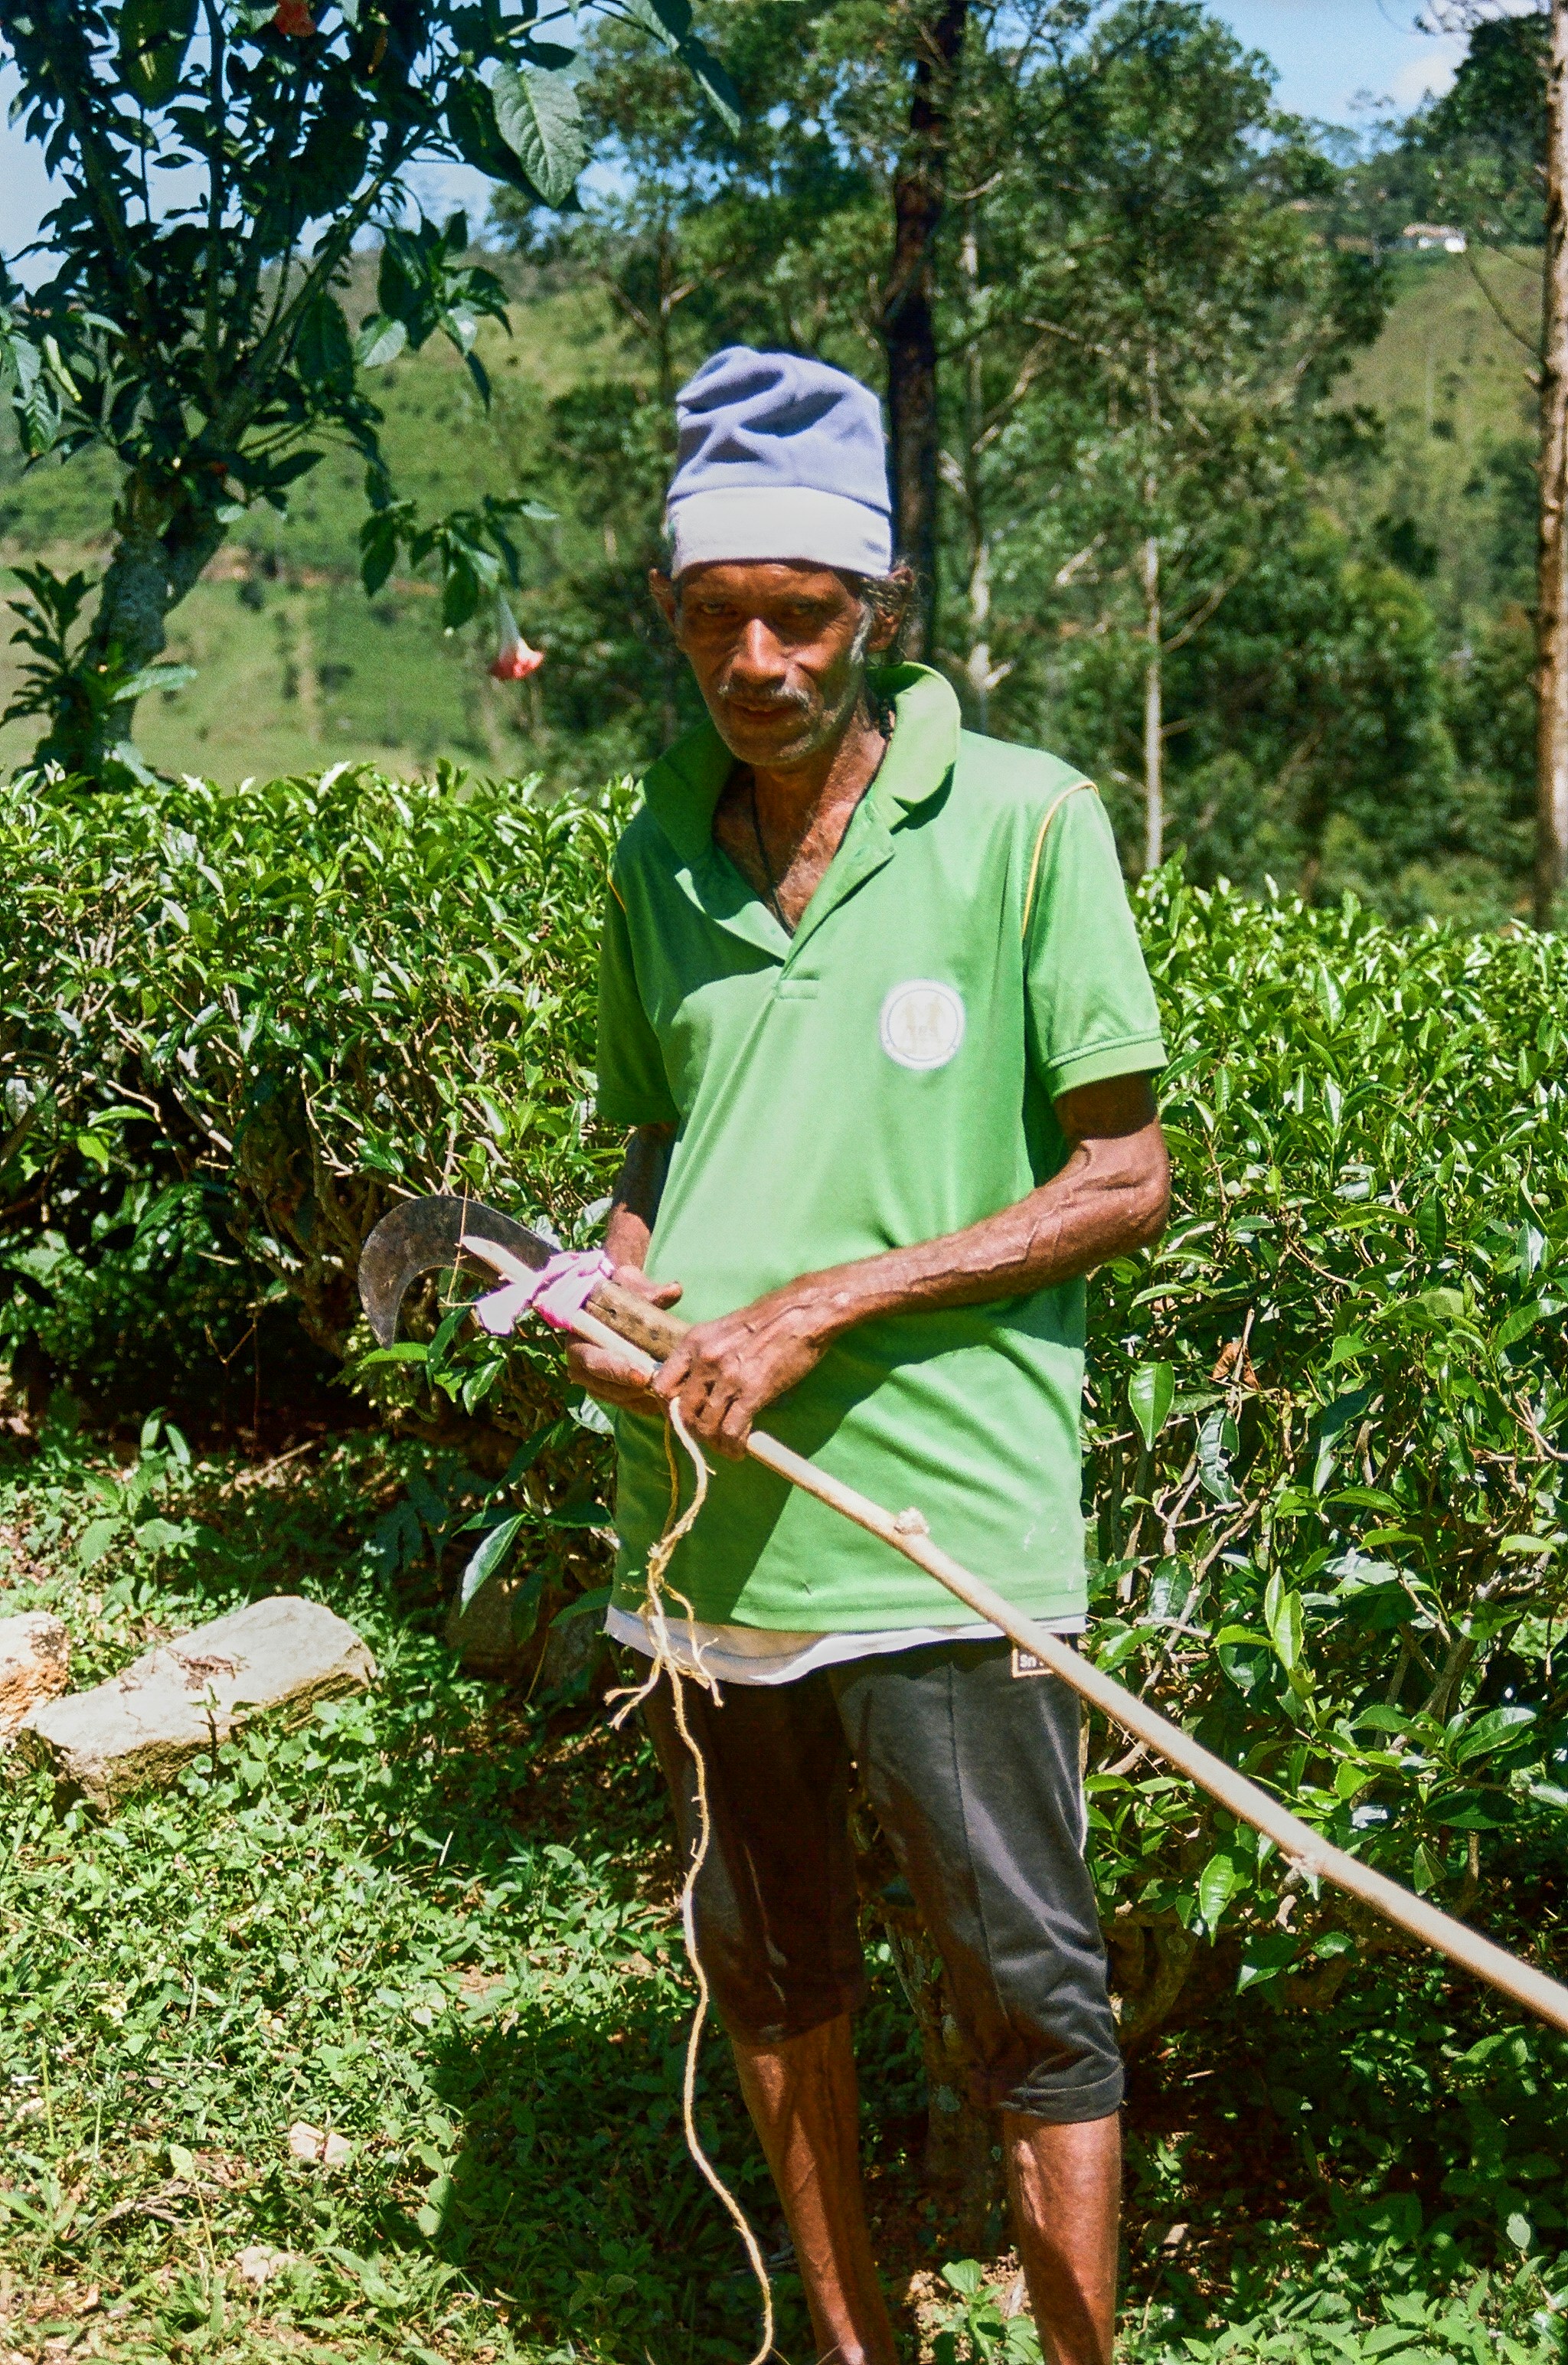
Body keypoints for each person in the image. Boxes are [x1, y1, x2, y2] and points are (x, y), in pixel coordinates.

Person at [571, 344, 1170, 2365]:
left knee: (1030, 1982)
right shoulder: (652, 852)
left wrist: (815, 1305)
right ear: (670, 612)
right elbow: (668, 1133)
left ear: (877, 608)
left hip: (941, 1522)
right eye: (714, 613)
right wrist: (616, 1287)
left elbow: (1120, 1175)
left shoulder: (1024, 822)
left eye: (799, 613)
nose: (755, 657)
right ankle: (851, 2345)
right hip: (717, 1532)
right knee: (773, 1958)